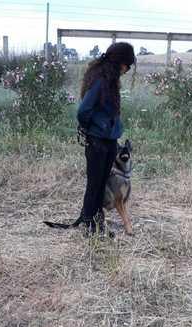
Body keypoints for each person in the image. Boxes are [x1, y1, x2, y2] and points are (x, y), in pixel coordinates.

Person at [77, 42, 136, 237]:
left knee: (101, 184)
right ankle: (90, 227)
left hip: (108, 141)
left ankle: (97, 223)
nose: (127, 69)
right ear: (119, 62)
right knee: (94, 185)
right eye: (127, 64)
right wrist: (94, 129)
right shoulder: (101, 81)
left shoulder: (110, 80)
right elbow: (83, 111)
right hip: (98, 142)